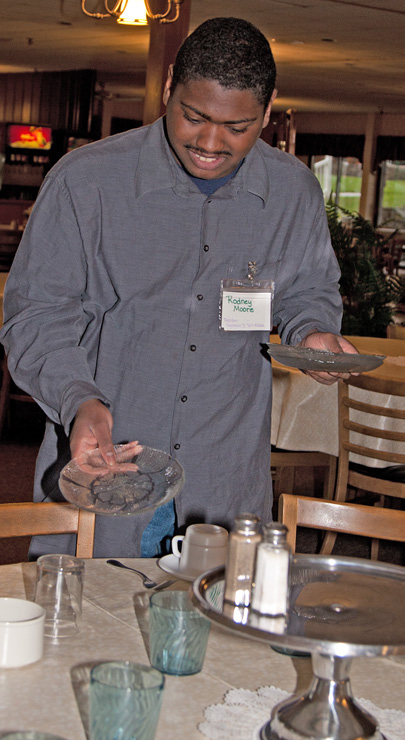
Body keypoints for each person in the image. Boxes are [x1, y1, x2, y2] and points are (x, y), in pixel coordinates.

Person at [0, 17, 357, 559]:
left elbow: (308, 290)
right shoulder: (84, 182)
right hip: (108, 469)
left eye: (237, 128)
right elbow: (36, 317)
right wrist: (80, 399)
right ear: (169, 87)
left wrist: (312, 331)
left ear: (269, 108)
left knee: (216, 636)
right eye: (193, 117)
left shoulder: (294, 193)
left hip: (224, 483)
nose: (210, 143)